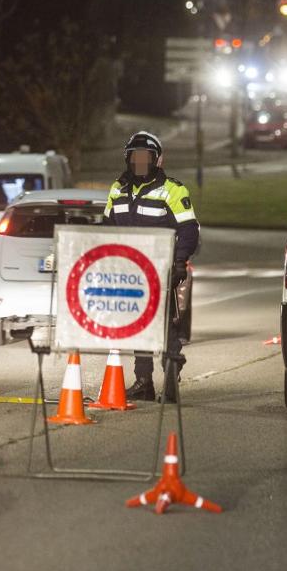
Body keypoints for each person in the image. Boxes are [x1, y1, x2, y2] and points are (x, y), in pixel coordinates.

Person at [102, 130, 199, 402]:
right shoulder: (116, 189)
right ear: (127, 159)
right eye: (135, 157)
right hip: (127, 273)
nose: (140, 162)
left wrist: (180, 261)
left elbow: (189, 230)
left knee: (166, 328)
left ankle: (171, 377)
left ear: (158, 159)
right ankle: (143, 382)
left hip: (161, 272)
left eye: (146, 157)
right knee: (135, 326)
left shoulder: (173, 190)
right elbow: (106, 228)